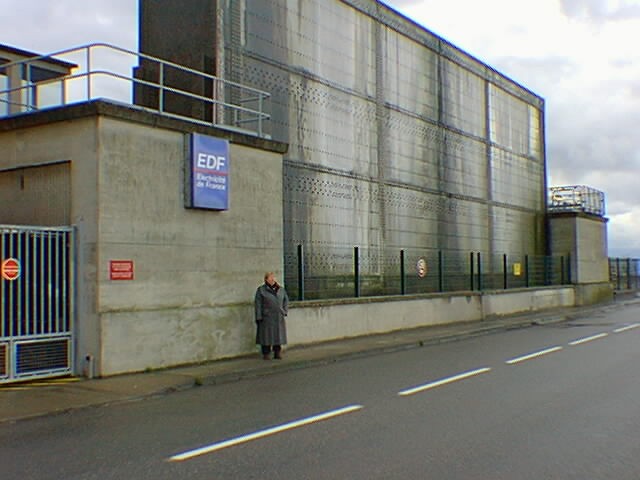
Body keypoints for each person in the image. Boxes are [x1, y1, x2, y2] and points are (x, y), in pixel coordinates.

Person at [254, 272, 289, 360]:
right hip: (267, 316)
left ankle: (277, 352)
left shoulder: (280, 289)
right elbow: (258, 304)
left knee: (278, 336)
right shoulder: (261, 290)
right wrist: (258, 316)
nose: (272, 280)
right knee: (266, 336)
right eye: (270, 278)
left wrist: (284, 311)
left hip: (278, 316)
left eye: (273, 278)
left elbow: (286, 300)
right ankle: (266, 353)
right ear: (266, 279)